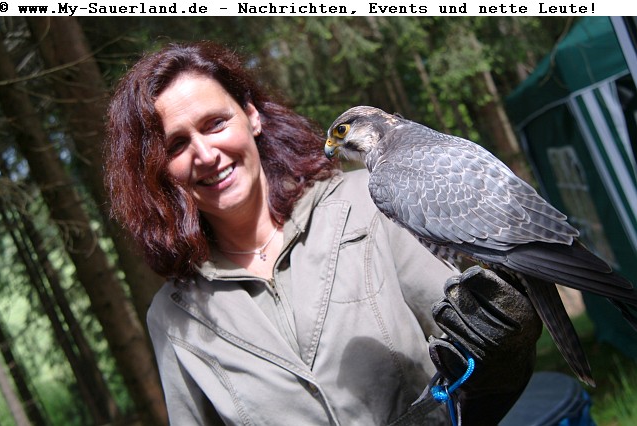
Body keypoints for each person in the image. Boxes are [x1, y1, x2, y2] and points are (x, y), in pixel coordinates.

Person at [105, 41, 542, 425]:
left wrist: (504, 353)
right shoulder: (173, 318)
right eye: (177, 145)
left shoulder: (374, 205)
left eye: (215, 123)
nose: (205, 153)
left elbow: (480, 349)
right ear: (160, 170)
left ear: (251, 115)